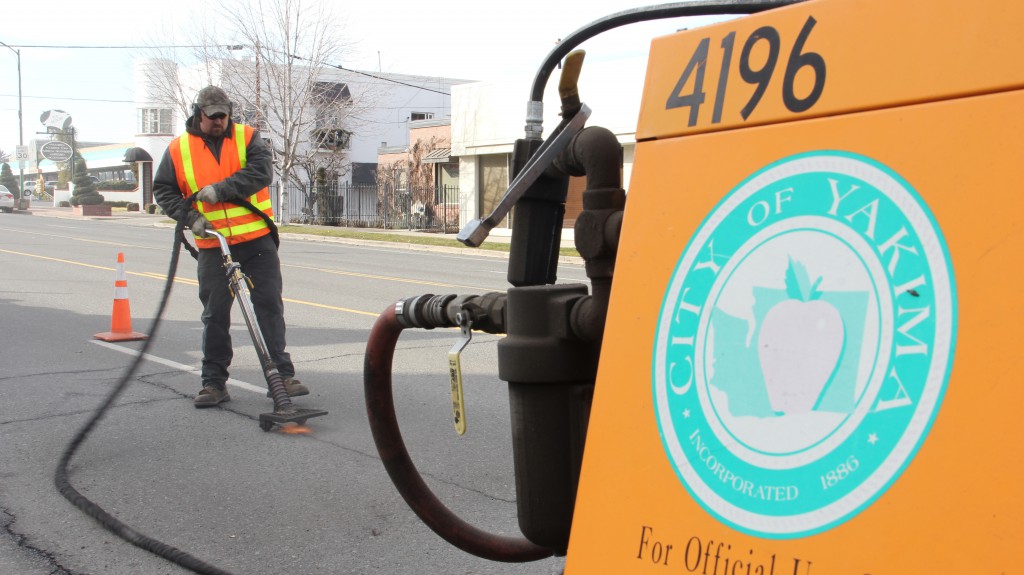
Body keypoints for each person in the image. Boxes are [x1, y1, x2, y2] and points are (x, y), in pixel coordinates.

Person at [154, 85, 308, 407]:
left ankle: (282, 376)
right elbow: (164, 190)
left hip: (256, 240)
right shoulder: (179, 149)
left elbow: (261, 172)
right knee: (215, 314)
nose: (219, 122)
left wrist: (221, 189)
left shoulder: (248, 137)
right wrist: (191, 218)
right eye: (213, 117)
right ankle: (214, 383)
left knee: (268, 306)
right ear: (199, 114)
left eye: (224, 116)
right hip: (213, 244)